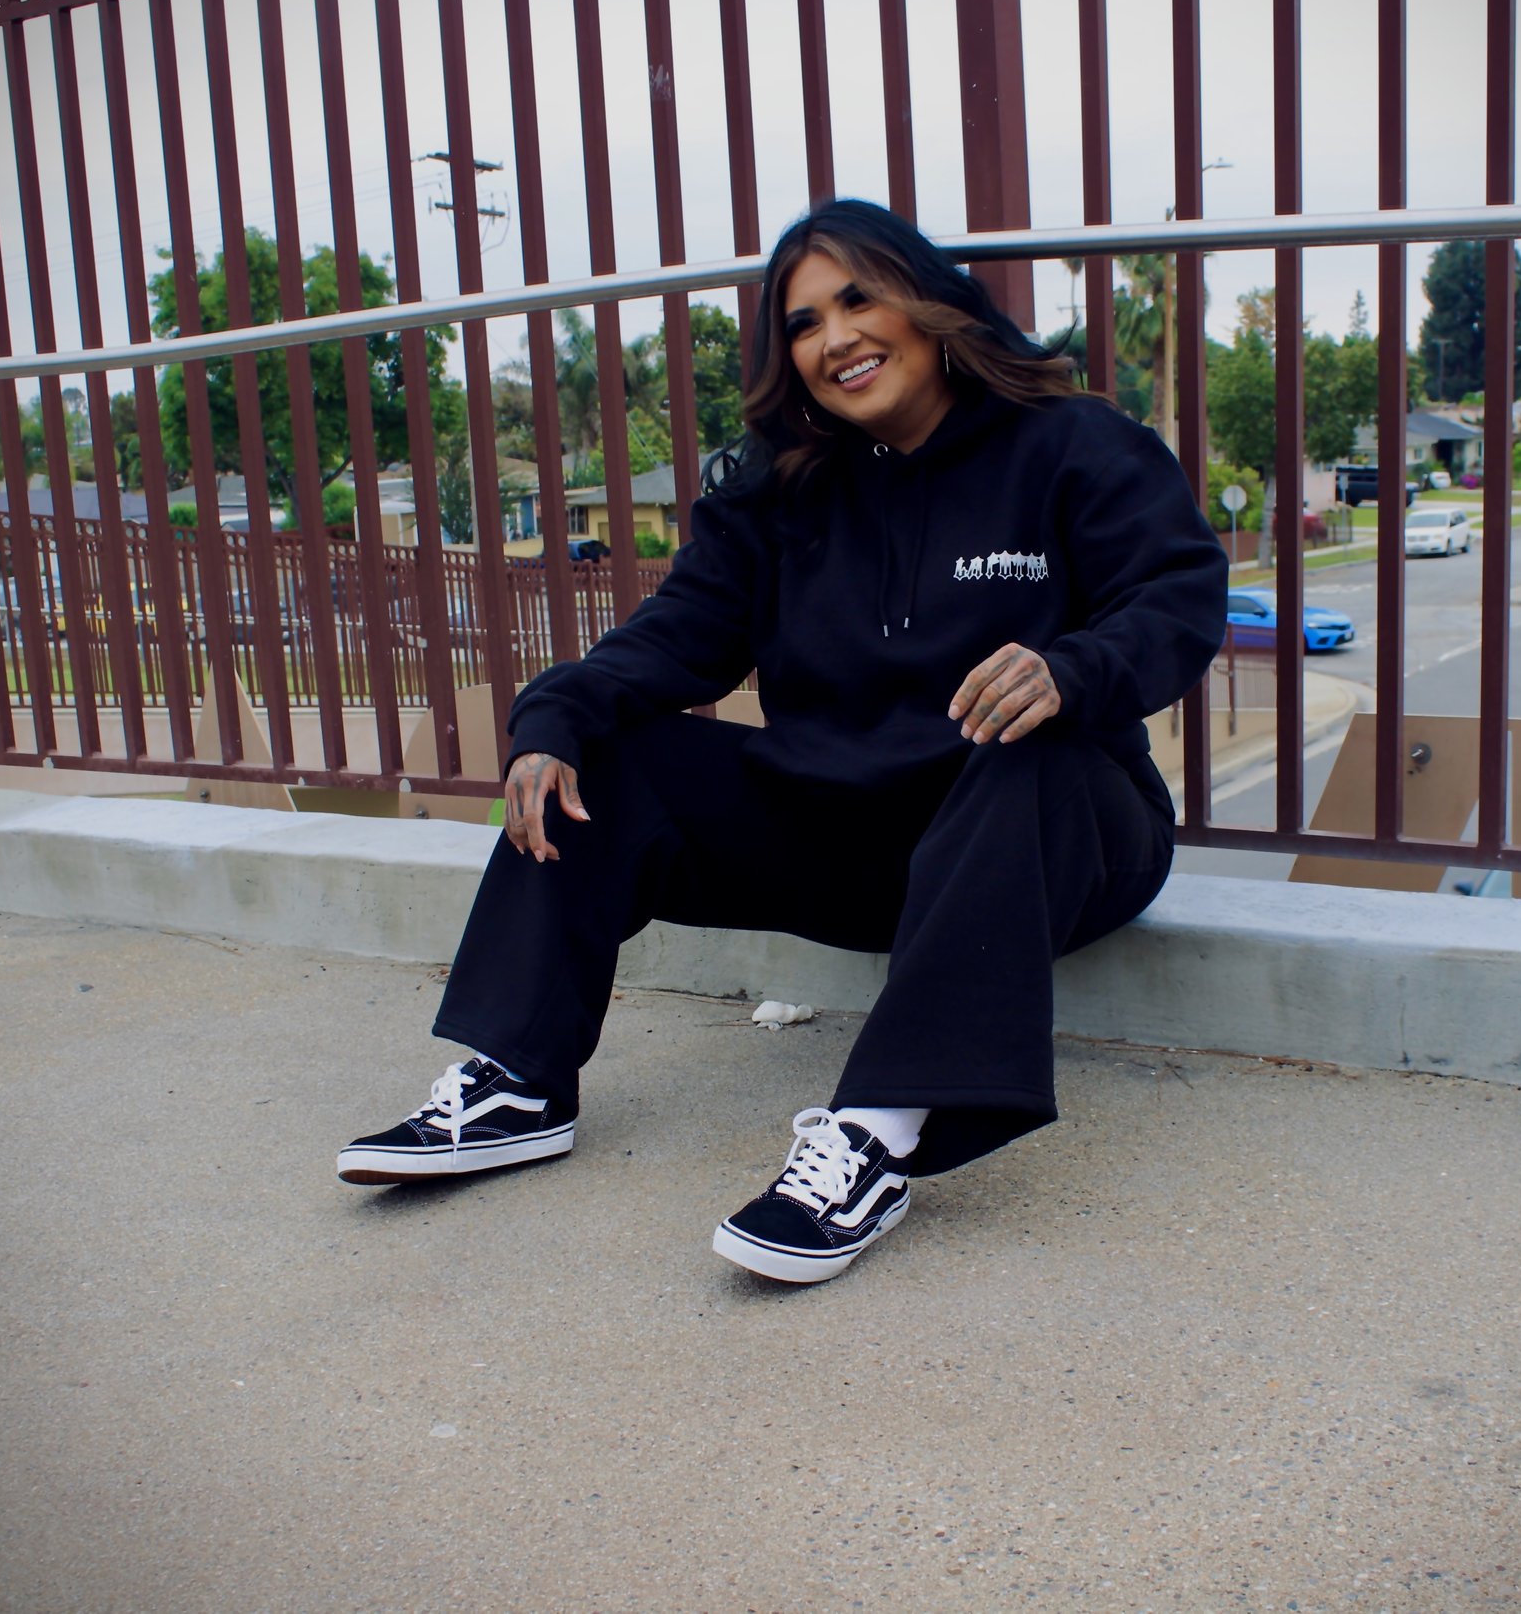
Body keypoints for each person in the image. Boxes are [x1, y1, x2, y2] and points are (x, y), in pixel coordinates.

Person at [337, 199, 1227, 1284]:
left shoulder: (1072, 443)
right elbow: (677, 636)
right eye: (804, 323)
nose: (836, 339)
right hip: (854, 841)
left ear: (929, 301)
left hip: (1054, 839)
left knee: (1023, 746)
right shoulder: (779, 490)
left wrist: (1071, 669)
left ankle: (878, 1132)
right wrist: (553, 717)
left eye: (859, 300)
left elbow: (1177, 597)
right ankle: (519, 1081)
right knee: (609, 753)